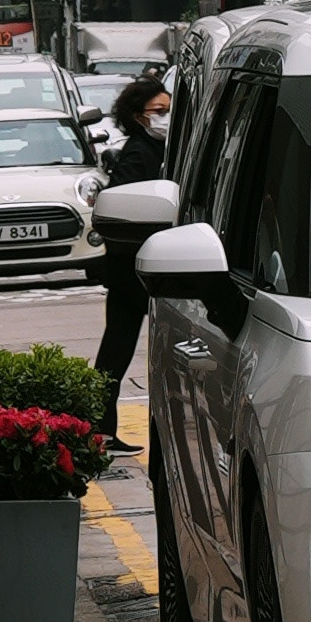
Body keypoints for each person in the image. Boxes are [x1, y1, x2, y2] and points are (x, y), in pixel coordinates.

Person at [89, 62, 180, 422]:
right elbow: (121, 204)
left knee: (120, 347)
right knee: (117, 349)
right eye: (159, 111)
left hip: (141, 266)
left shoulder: (161, 149)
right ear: (138, 117)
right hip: (132, 270)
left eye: (171, 110)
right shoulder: (140, 154)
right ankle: (99, 423)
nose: (166, 118)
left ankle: (101, 424)